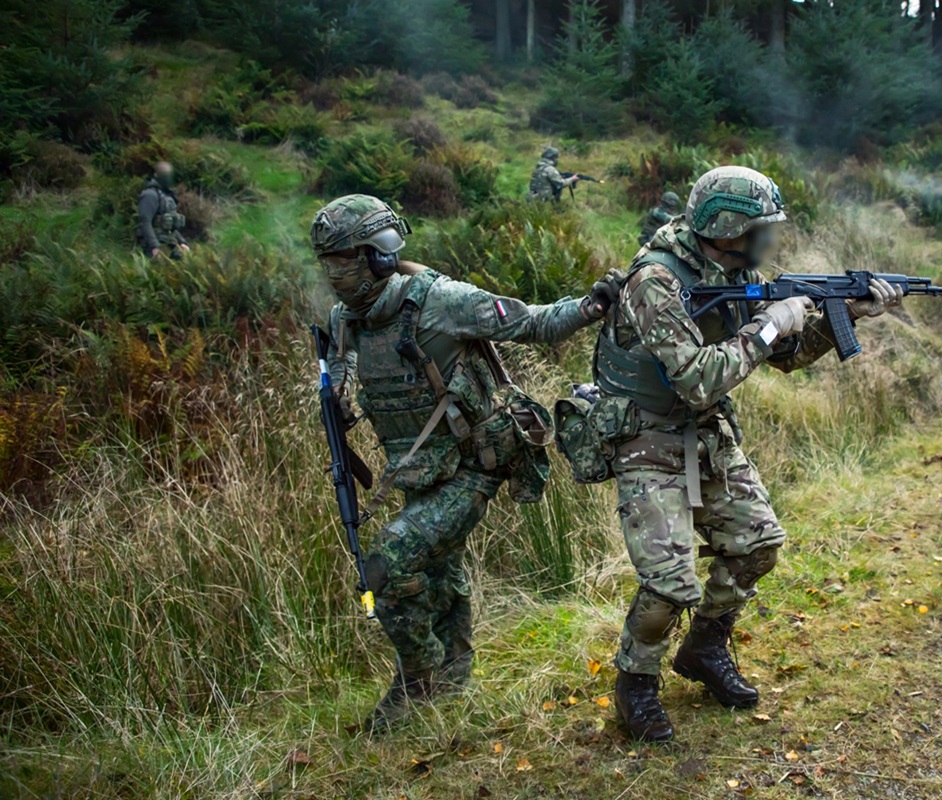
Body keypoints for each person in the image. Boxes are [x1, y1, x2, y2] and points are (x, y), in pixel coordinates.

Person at [592, 166, 903, 742]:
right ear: (729, 226)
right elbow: (696, 380)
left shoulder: (735, 269)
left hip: (706, 435)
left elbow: (783, 359)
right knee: (668, 584)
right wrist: (766, 329)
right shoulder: (655, 280)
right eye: (761, 227)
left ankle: (705, 648)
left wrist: (842, 320)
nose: (769, 239)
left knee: (759, 544)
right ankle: (635, 682)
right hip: (646, 437)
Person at [310, 194, 624, 734]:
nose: (333, 276)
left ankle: (416, 683)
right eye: (327, 264)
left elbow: (535, 323)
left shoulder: (441, 302)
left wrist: (592, 306)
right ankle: (452, 684)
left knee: (386, 563)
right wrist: (336, 394)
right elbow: (338, 368)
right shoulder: (347, 319)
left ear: (377, 257)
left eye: (341, 262)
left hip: (474, 464)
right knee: (439, 573)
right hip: (417, 469)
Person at [135, 162, 190, 259]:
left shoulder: (168, 197)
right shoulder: (150, 195)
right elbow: (145, 222)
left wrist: (182, 242)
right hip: (152, 245)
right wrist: (154, 246)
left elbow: (171, 226)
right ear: (156, 175)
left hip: (170, 242)